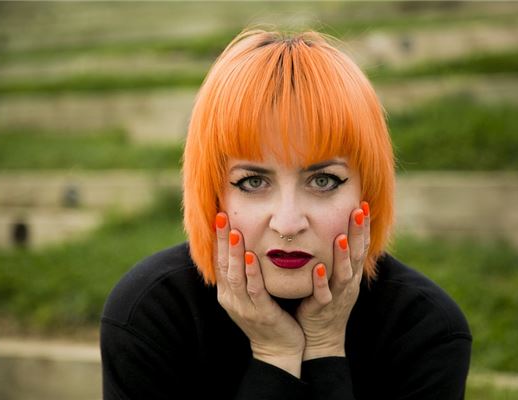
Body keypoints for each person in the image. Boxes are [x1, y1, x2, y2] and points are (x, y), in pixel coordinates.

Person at [100, 28, 472, 399]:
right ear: (213, 194)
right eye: (252, 182)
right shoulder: (150, 314)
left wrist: (325, 347)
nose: (288, 224)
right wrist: (274, 356)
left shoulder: (425, 330)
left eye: (323, 181)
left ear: (367, 191)